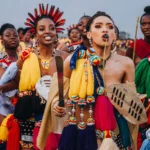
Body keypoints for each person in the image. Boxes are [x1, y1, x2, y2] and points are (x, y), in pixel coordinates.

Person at [38, 11, 147, 150]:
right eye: (98, 26)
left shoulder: (125, 63)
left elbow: (129, 103)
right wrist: (56, 104)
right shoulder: (73, 60)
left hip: (114, 133)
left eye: (109, 27)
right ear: (89, 34)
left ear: (114, 34)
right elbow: (59, 92)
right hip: (81, 128)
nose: (105, 30)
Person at [7, 3, 68, 150]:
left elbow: (70, 91)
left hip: (56, 119)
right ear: (36, 34)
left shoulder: (65, 58)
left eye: (52, 28)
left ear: (56, 32)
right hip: (30, 118)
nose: (48, 32)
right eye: (42, 29)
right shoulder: (26, 57)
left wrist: (64, 105)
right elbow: (16, 85)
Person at [0, 23, 19, 149]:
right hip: (3, 112)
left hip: (23, 112)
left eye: (15, 35)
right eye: (8, 35)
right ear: (2, 40)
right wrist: (17, 82)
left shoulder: (27, 59)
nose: (12, 38)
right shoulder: (0, 61)